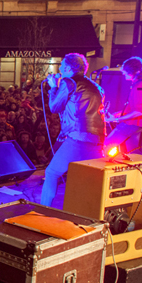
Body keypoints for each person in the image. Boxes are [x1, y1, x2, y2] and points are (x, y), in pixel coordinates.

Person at [40, 53, 105, 207]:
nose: (60, 68)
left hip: (79, 136)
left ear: (68, 67)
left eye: (62, 65)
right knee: (86, 179)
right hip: (98, 139)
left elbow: (55, 107)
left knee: (52, 173)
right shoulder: (96, 86)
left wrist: (54, 87)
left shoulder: (69, 82)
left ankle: (43, 210)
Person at [106, 57, 142, 152]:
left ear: (136, 71)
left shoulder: (140, 86)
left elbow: (138, 112)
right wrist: (121, 113)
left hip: (132, 124)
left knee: (107, 145)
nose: (123, 73)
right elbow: (138, 107)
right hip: (138, 124)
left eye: (126, 71)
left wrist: (116, 119)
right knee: (132, 152)